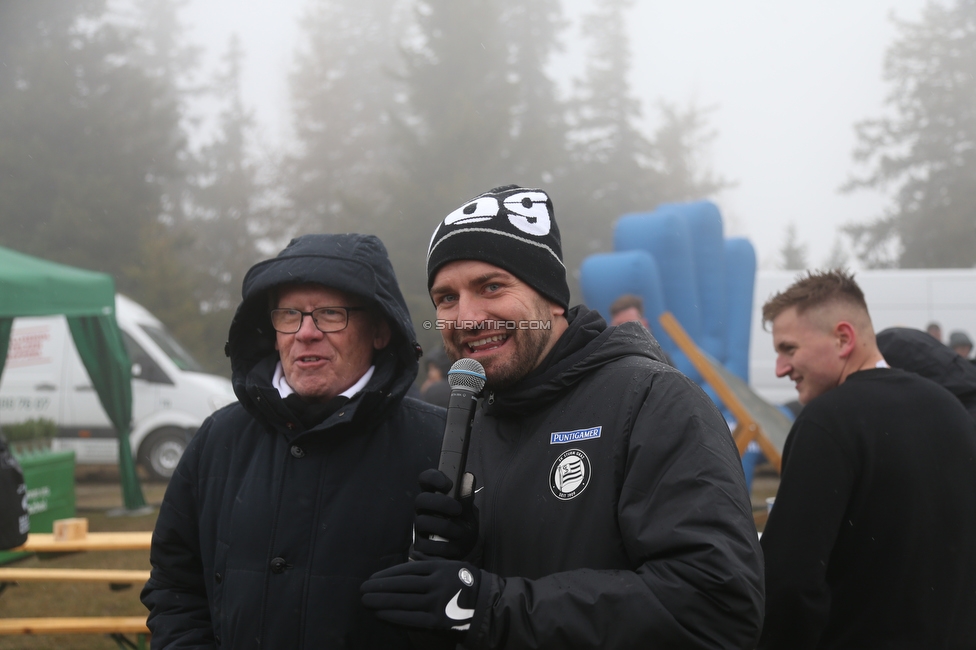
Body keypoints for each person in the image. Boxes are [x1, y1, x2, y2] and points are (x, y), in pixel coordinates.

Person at [361, 185, 764, 648]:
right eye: (446, 298)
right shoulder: (476, 413)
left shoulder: (653, 401)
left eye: (491, 286)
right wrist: (469, 553)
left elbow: (715, 608)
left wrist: (486, 606)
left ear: (551, 297)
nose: (467, 317)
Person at [141, 234, 445, 649]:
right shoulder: (218, 440)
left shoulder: (440, 444)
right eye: (289, 314)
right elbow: (174, 584)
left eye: (330, 314)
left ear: (379, 330)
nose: (306, 333)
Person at [758, 270, 976, 648]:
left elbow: (788, 582)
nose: (780, 369)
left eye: (788, 349)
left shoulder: (827, 422)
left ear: (843, 338)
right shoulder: (951, 409)